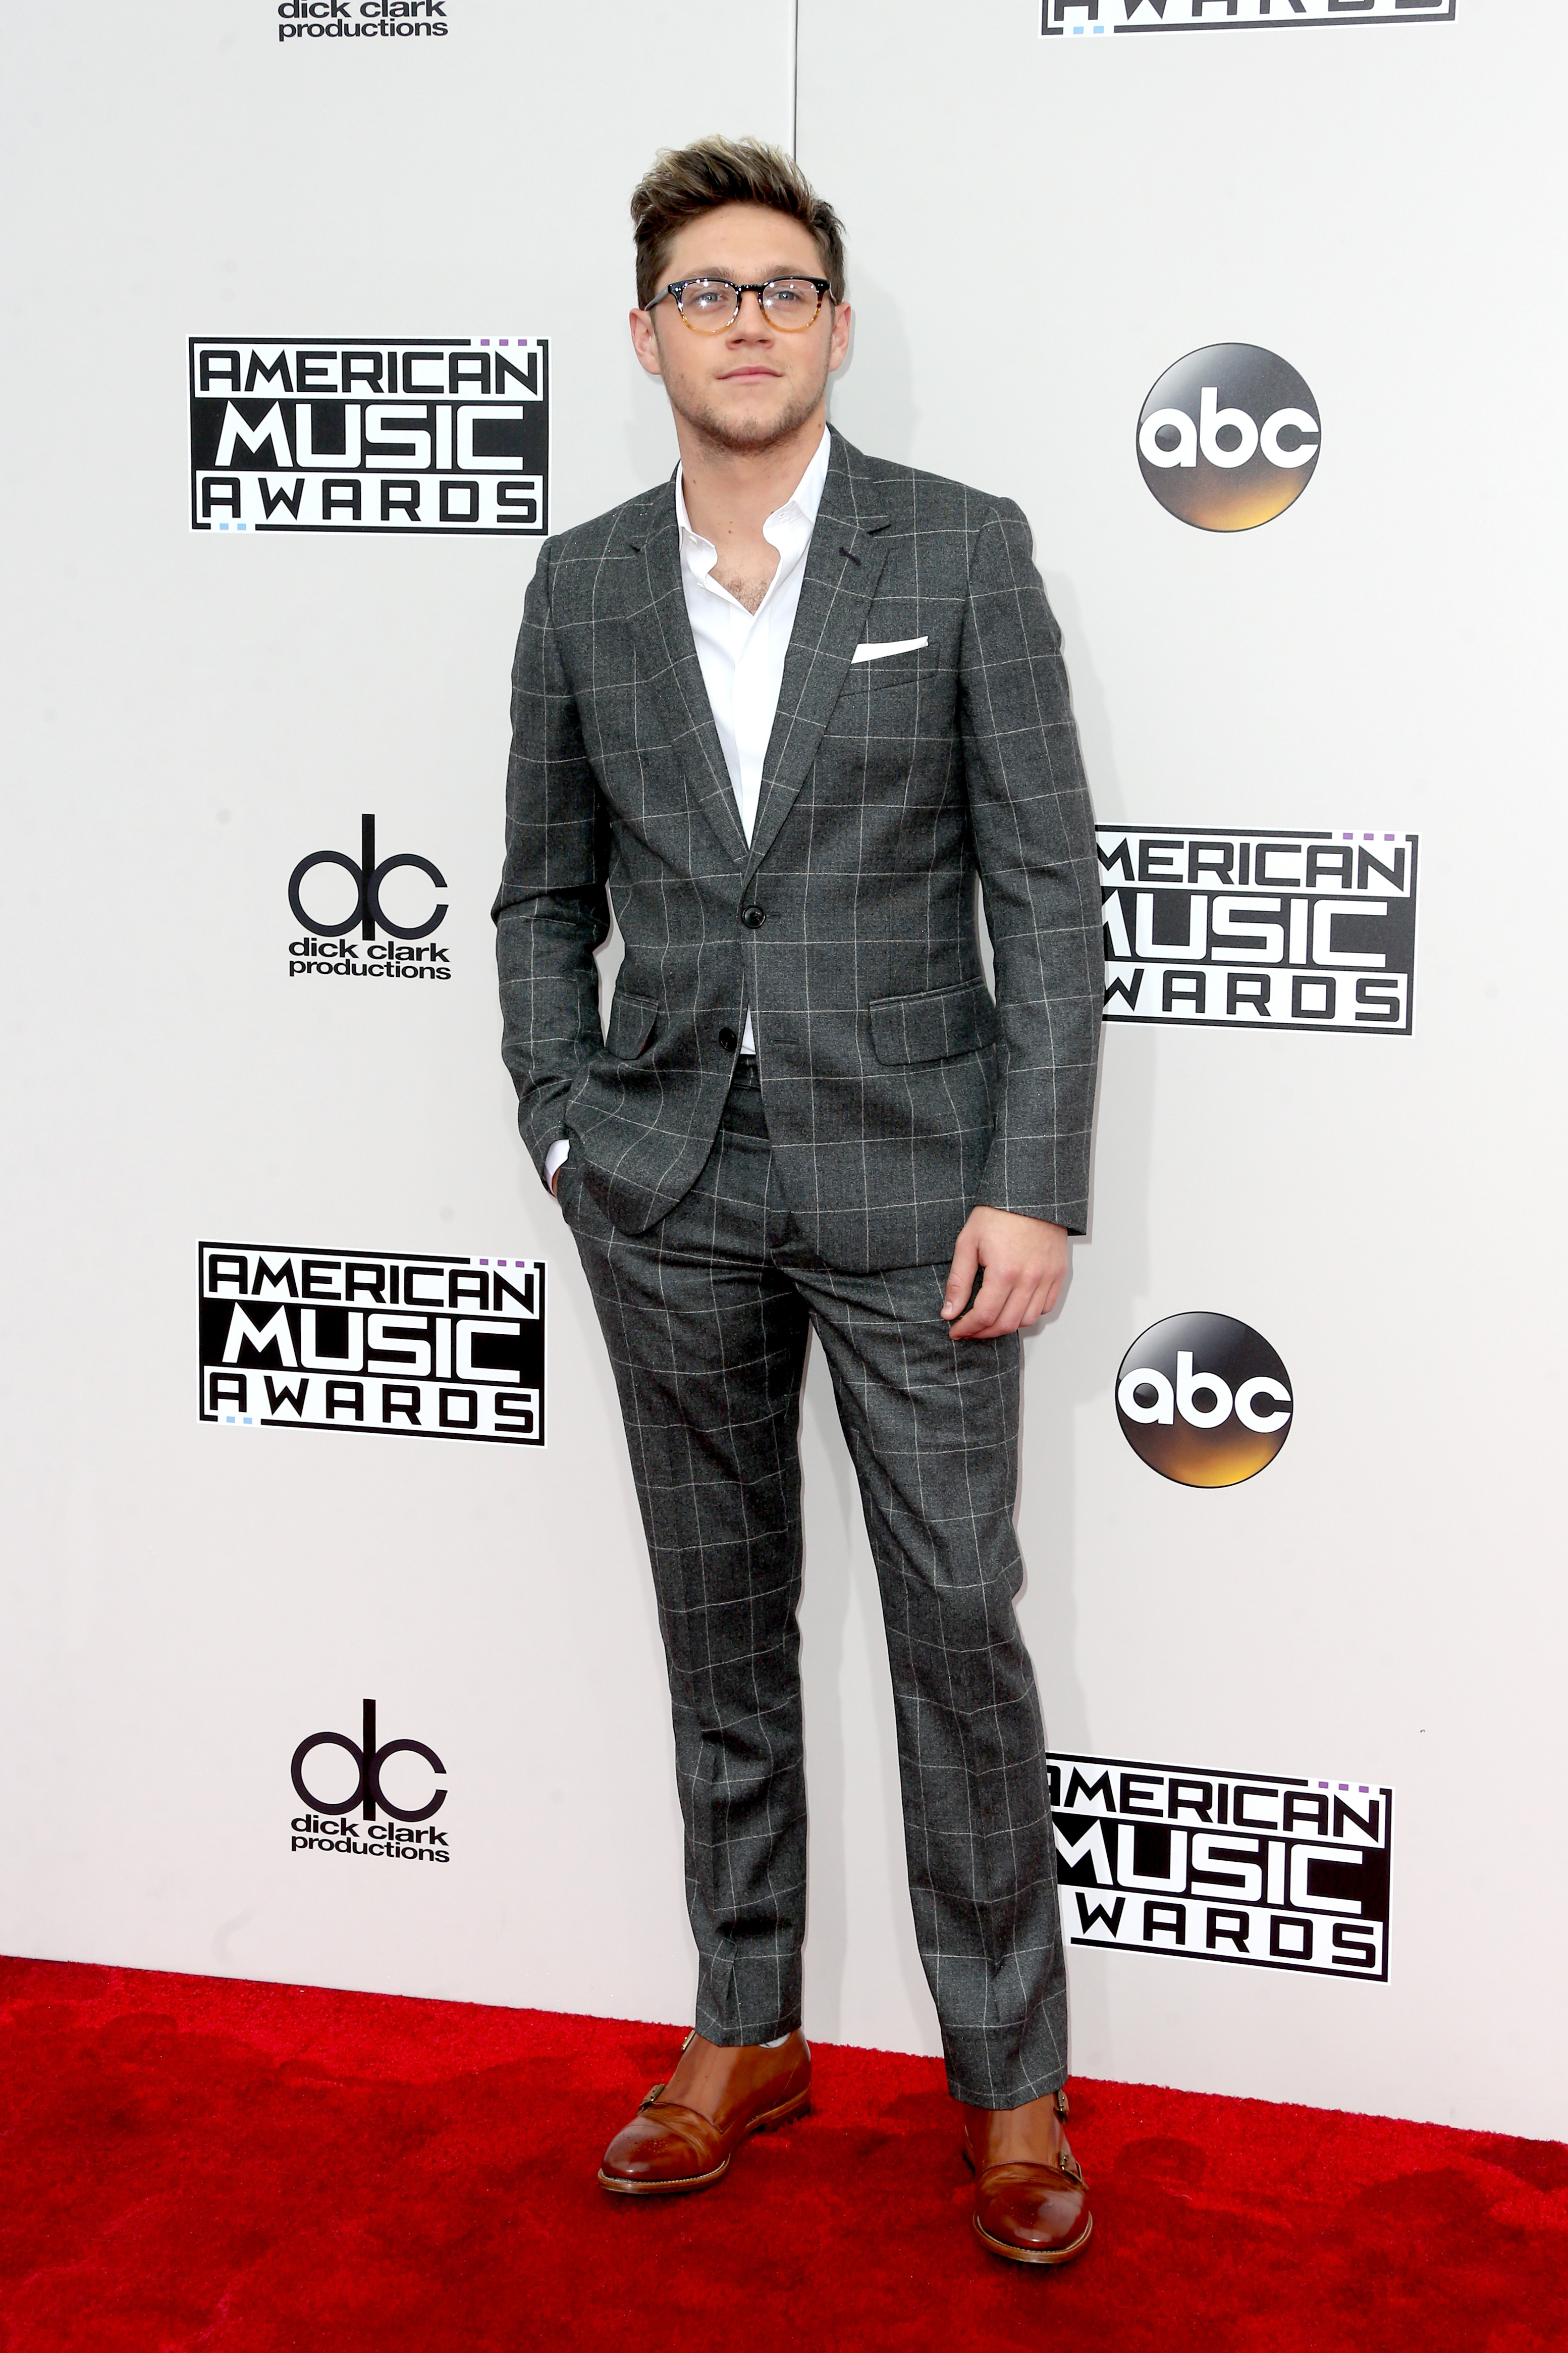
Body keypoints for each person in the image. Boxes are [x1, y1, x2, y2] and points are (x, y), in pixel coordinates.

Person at [493, 135, 1103, 2268]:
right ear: (645, 329)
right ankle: (742, 2024)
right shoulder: (579, 585)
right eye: (703, 289)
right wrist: (572, 1135)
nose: (744, 320)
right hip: (666, 1186)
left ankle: (1010, 2084)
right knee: (719, 1629)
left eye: (781, 288)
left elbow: (1049, 889)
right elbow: (540, 898)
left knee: (955, 1626)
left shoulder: (960, 550)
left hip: (920, 1191)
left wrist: (1032, 1179)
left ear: (834, 327)